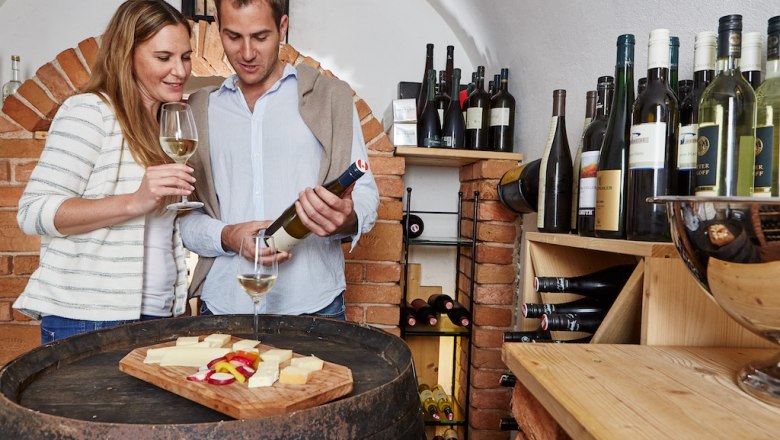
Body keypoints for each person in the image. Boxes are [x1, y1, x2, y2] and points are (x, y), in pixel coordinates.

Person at [180, 0, 379, 320]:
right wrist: (227, 236)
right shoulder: (199, 111)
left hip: (316, 306)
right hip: (225, 303)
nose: (246, 53)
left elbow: (366, 195)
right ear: (217, 22)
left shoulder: (330, 99)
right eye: (233, 36)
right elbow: (184, 216)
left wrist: (347, 218)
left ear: (282, 26)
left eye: (260, 37)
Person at [14, 0, 195, 343]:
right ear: (127, 55)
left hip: (158, 317)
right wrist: (134, 201)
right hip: (90, 319)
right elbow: (32, 212)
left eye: (185, 57)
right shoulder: (90, 112)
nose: (180, 70)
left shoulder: (166, 125)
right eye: (163, 57)